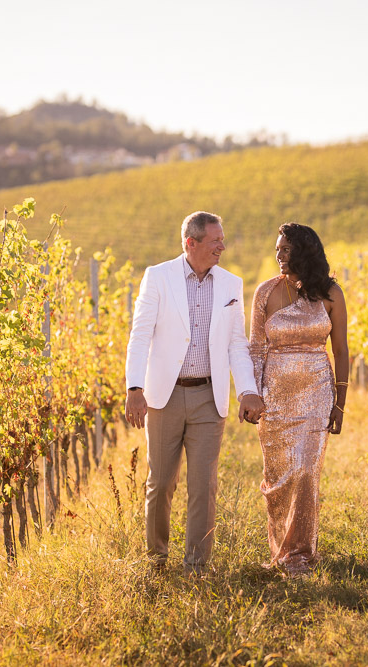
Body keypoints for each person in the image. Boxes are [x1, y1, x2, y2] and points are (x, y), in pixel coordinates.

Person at [125, 211, 265, 574]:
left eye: (222, 240)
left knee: (204, 485)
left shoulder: (231, 284)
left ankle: (197, 567)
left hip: (208, 397)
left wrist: (247, 390)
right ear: (191, 243)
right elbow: (140, 335)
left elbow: (236, 343)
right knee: (161, 483)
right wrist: (134, 387)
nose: (222, 247)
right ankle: (156, 559)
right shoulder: (158, 277)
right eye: (215, 241)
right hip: (165, 396)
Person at [248, 222, 349, 576]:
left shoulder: (331, 293)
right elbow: (256, 349)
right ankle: (281, 551)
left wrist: (339, 403)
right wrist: (254, 395)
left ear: (304, 252)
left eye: (286, 250)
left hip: (317, 393)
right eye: (277, 249)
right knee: (279, 480)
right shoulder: (265, 292)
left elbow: (341, 350)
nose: (279, 255)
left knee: (306, 472)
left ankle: (300, 555)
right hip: (274, 397)